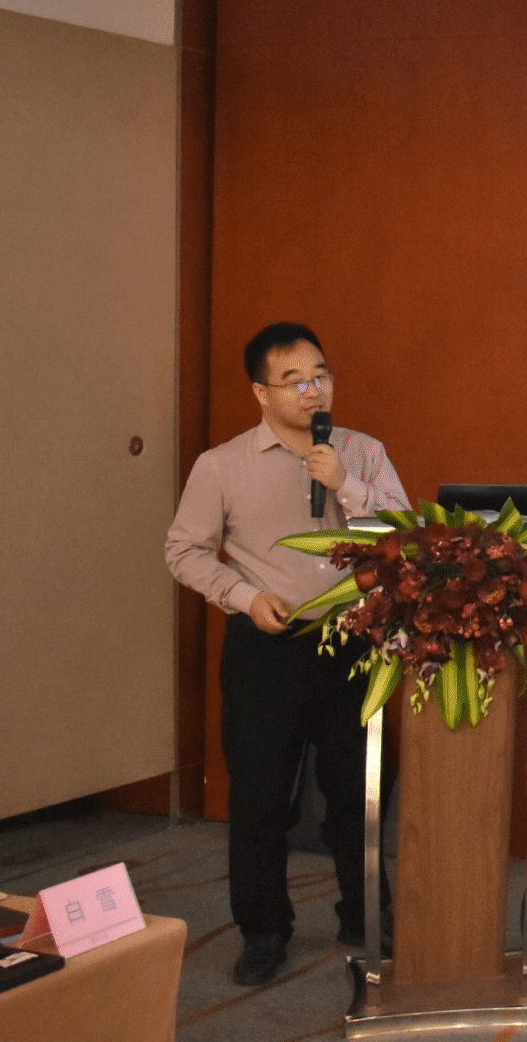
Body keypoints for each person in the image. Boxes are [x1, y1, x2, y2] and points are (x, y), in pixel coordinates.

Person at [165, 322, 410, 986]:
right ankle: (264, 930)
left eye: (320, 375)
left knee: (361, 792)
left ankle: (366, 915)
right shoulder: (221, 465)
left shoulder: (362, 452)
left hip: (356, 642)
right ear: (261, 392)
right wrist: (244, 597)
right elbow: (183, 550)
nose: (312, 390)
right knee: (261, 798)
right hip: (268, 646)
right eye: (294, 380)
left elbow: (403, 536)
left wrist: (347, 486)